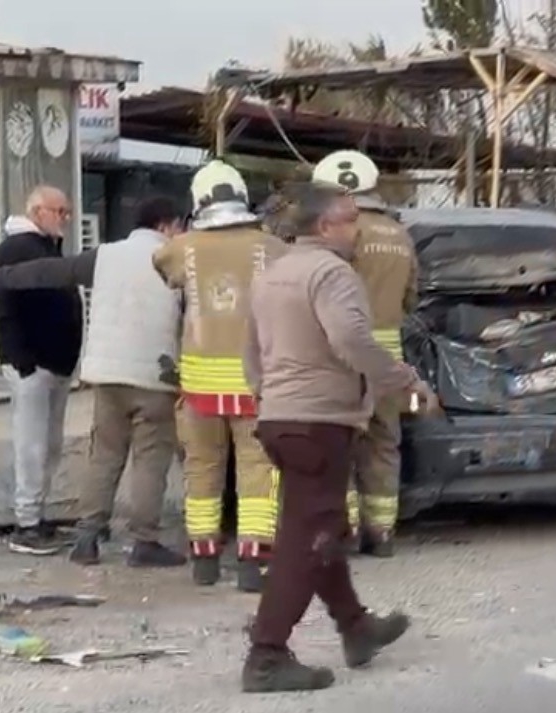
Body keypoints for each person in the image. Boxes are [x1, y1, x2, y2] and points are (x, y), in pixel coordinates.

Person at [240, 181, 439, 693]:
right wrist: (406, 381)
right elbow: (351, 340)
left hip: (282, 418)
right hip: (320, 421)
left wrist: (271, 399)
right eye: (351, 218)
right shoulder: (332, 273)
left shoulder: (272, 273)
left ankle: (356, 625)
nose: (359, 228)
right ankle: (266, 654)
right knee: (306, 539)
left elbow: (252, 354)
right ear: (326, 226)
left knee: (320, 526)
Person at [0, 197, 189, 568]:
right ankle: (144, 541)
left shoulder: (105, 255)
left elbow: (48, 272)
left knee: (104, 456)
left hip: (106, 375)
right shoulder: (178, 258)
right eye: (179, 226)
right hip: (155, 376)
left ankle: (88, 537)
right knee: (150, 462)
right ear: (165, 226)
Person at [153, 160, 286, 592]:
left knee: (202, 470)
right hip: (256, 383)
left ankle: (205, 561)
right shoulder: (273, 247)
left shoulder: (182, 248)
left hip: (199, 387)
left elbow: (163, 266)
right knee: (258, 472)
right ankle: (252, 563)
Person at [311, 150, 419, 557]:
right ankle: (382, 532)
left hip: (342, 356)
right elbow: (411, 298)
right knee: (383, 442)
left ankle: (346, 530)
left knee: (337, 444)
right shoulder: (400, 234)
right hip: (388, 359)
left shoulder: (337, 232)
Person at [0, 185, 84, 556]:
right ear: (36, 211)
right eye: (59, 211)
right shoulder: (18, 248)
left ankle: (35, 514)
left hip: (53, 363)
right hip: (33, 363)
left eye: (67, 212)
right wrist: (23, 360)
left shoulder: (45, 247)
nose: (65, 219)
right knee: (32, 445)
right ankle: (27, 522)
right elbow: (9, 307)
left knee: (49, 444)